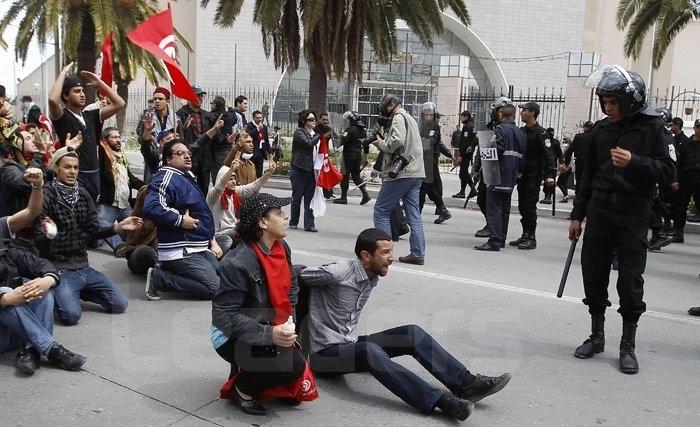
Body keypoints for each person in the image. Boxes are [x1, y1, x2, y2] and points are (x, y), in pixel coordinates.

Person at [302, 228, 511, 421]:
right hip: (324, 355)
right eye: (385, 252)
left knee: (411, 333)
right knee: (369, 350)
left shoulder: (370, 274)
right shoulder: (338, 272)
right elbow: (300, 274)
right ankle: (440, 401)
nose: (391, 258)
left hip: (348, 343)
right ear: (366, 256)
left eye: (391, 251)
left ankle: (467, 384)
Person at [568, 65, 675, 375]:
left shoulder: (654, 129)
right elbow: (588, 176)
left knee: (629, 281)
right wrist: (577, 215)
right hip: (599, 212)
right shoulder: (601, 131)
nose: (608, 107)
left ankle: (627, 345)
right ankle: (597, 335)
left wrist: (635, 162)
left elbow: (669, 171)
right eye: (604, 101)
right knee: (594, 274)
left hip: (632, 214)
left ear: (630, 101)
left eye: (613, 102)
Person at [211, 193, 306, 416]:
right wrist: (269, 334)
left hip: (269, 321)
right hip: (229, 334)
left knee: (294, 366)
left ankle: (257, 372)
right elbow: (223, 317)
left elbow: (291, 284)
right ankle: (242, 389)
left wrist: (288, 319)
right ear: (263, 222)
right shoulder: (237, 262)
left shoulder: (282, 246)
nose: (285, 217)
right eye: (279, 213)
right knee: (291, 366)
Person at [36, 147, 141, 325]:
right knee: (71, 316)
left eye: (76, 168)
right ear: (56, 169)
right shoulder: (46, 195)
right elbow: (38, 235)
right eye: (67, 167)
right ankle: (57, 290)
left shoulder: (83, 194)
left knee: (119, 304)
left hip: (83, 266)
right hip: (59, 268)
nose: (72, 172)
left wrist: (117, 228)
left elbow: (94, 229)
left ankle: (76, 291)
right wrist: (48, 233)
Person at [1, 170, 87, 376]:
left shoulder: (6, 244)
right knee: (4, 291)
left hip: (14, 330)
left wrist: (47, 280)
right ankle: (50, 349)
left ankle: (33, 350)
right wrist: (4, 298)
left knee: (42, 287)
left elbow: (32, 211)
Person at [143, 140, 222, 301]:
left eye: (188, 153)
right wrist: (179, 220)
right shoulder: (166, 176)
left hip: (198, 247)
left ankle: (171, 271)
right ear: (168, 160)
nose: (187, 156)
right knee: (216, 289)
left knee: (226, 281)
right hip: (181, 250)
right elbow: (152, 207)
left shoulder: (184, 177)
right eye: (180, 153)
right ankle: (159, 278)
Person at [49, 62, 126, 202]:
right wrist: (63, 74)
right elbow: (53, 100)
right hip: (75, 175)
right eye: (76, 91)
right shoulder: (62, 117)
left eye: (82, 90)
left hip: (94, 175)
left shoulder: (91, 115)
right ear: (66, 96)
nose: (82, 94)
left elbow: (120, 104)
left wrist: (100, 83)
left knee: (91, 215)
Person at [372, 94, 426, 265]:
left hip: (400, 173)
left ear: (392, 105)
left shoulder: (398, 117)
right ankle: (417, 253)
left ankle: (384, 254)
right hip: (415, 172)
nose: (383, 109)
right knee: (413, 214)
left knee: (381, 210)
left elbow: (397, 141)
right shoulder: (410, 117)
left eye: (385, 106)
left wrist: (380, 143)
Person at [474, 98, 527, 252]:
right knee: (504, 209)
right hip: (512, 177)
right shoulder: (521, 133)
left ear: (502, 114)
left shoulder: (499, 130)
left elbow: (497, 150)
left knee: (494, 209)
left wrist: (485, 154)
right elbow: (523, 156)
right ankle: (501, 238)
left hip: (497, 175)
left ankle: (494, 241)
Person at [508, 102, 555, 251]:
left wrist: (550, 176)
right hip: (522, 175)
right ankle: (524, 234)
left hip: (534, 175)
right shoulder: (522, 131)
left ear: (533, 113)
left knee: (529, 206)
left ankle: (531, 237)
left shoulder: (541, 133)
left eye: (524, 111)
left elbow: (549, 156)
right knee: (522, 206)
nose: (521, 113)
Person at [206, 160, 276, 255]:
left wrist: (269, 174)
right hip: (218, 235)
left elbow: (253, 186)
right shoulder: (214, 194)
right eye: (230, 179)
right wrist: (231, 169)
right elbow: (220, 186)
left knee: (256, 233)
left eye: (234, 178)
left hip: (233, 230)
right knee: (228, 241)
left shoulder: (233, 192)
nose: (234, 181)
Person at [97, 127, 145, 253]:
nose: (118, 140)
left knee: (138, 225)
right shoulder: (103, 157)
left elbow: (132, 180)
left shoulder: (122, 158)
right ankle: (119, 245)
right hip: (108, 205)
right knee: (97, 231)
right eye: (114, 137)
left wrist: (147, 186)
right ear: (105, 141)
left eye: (119, 137)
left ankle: (124, 240)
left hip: (125, 206)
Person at [417, 102, 452, 224]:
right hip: (424, 161)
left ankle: (417, 213)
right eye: (425, 115)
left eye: (430, 115)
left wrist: (419, 143)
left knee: (424, 187)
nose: (428, 117)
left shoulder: (433, 127)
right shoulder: (422, 126)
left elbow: (431, 142)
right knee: (429, 188)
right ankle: (442, 210)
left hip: (429, 161)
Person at [137, 87, 179, 183]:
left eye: (160, 99)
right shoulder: (148, 117)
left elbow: (181, 139)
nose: (157, 101)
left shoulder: (175, 119)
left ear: (167, 101)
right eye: (155, 99)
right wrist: (148, 134)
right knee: (150, 185)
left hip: (170, 157)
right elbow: (141, 139)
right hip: (153, 157)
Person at [289, 109, 321, 232]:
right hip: (299, 168)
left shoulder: (315, 134)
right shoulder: (299, 132)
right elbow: (308, 143)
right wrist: (318, 135)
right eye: (311, 119)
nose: (314, 122)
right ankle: (293, 222)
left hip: (312, 170)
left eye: (314, 119)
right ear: (304, 121)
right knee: (297, 197)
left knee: (310, 198)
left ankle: (309, 224)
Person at [669, 118, 700, 243]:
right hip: (686, 179)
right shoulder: (686, 144)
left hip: (699, 181)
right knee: (680, 207)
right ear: (694, 128)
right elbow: (678, 163)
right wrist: (675, 179)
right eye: (698, 127)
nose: (699, 130)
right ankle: (678, 232)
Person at [116, 185, 158, 276]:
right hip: (138, 254)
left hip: (166, 254)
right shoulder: (147, 192)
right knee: (146, 251)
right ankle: (161, 272)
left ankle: (163, 272)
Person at [176, 85, 211, 194]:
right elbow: (177, 135)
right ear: (189, 97)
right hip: (190, 155)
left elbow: (214, 135)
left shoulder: (207, 115)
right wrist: (184, 128)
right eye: (197, 95)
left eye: (201, 96)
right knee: (188, 188)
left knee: (204, 188)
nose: (200, 98)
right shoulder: (181, 114)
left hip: (204, 158)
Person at [334, 111, 371, 205]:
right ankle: (365, 194)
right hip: (358, 155)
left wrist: (335, 136)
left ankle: (343, 197)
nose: (348, 121)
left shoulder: (350, 129)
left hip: (348, 156)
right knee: (356, 176)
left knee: (345, 175)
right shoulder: (363, 130)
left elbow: (342, 141)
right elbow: (366, 145)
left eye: (349, 120)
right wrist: (366, 158)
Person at [452, 110, 479, 200]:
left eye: (462, 116)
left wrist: (461, 155)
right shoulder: (472, 126)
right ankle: (469, 190)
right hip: (468, 153)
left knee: (463, 173)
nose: (460, 118)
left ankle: (468, 191)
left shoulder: (467, 127)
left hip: (465, 153)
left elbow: (465, 143)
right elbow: (474, 140)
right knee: (463, 173)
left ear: (466, 117)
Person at [246, 110, 270, 178]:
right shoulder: (249, 125)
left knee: (259, 170)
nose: (259, 119)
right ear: (253, 118)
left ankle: (257, 186)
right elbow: (249, 135)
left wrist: (269, 151)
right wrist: (257, 129)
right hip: (252, 151)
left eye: (260, 118)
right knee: (251, 170)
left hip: (261, 152)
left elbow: (266, 140)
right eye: (257, 118)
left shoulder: (264, 127)